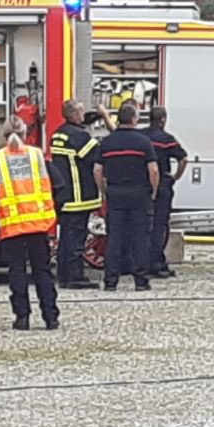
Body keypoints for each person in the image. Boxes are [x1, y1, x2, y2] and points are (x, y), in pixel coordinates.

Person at [0, 118, 62, 330]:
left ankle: (22, 317)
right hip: (38, 225)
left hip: (11, 226)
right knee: (42, 271)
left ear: (3, 135)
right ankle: (51, 318)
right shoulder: (37, 156)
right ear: (25, 134)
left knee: (17, 271)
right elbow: (60, 185)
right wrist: (52, 214)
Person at [95, 101, 159, 292]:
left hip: (115, 195)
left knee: (114, 238)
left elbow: (97, 170)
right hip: (140, 194)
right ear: (134, 119)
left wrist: (104, 191)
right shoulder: (143, 142)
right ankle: (141, 281)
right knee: (140, 238)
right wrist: (153, 191)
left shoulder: (107, 142)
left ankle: (110, 281)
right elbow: (153, 170)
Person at [48, 100, 105, 290]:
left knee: (65, 238)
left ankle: (64, 275)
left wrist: (97, 115)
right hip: (79, 195)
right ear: (73, 114)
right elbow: (98, 155)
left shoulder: (59, 133)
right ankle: (74, 276)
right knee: (76, 238)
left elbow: (82, 125)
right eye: (81, 111)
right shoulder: (80, 137)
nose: (83, 114)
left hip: (64, 195)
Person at [143, 106, 188, 278]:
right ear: (163, 120)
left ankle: (142, 261)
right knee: (160, 225)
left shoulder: (142, 136)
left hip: (143, 186)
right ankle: (157, 262)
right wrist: (176, 176)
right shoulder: (166, 139)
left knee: (144, 225)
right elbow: (183, 158)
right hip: (162, 185)